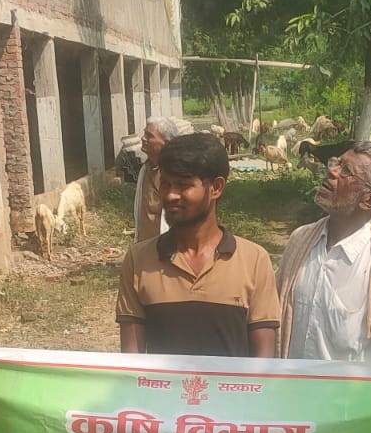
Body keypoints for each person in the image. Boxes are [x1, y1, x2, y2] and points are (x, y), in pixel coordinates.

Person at [116, 133, 281, 358]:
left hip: (234, 384)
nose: (170, 195)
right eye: (165, 184)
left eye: (183, 185)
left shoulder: (254, 261)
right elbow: (131, 362)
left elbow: (263, 363)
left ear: (216, 188)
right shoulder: (139, 261)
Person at [275, 141, 371, 363]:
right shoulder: (301, 241)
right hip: (290, 384)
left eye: (346, 171)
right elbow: (272, 316)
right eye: (337, 162)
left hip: (351, 388)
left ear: (369, 200)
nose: (332, 170)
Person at [134, 117, 183, 242]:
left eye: (149, 136)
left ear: (166, 143)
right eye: (144, 133)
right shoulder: (145, 169)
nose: (143, 138)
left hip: (169, 244)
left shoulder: (176, 174)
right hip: (145, 245)